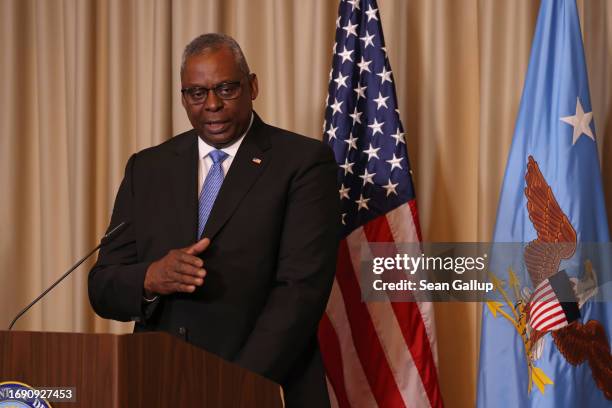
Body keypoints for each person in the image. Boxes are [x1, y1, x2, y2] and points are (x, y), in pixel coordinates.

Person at [88, 33, 339, 407]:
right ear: (183, 97)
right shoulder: (148, 168)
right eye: (196, 93)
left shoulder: (302, 163)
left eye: (226, 88)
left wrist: (234, 385)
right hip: (158, 385)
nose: (212, 105)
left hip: (262, 389)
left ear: (252, 86)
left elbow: (300, 292)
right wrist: (150, 277)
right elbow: (103, 285)